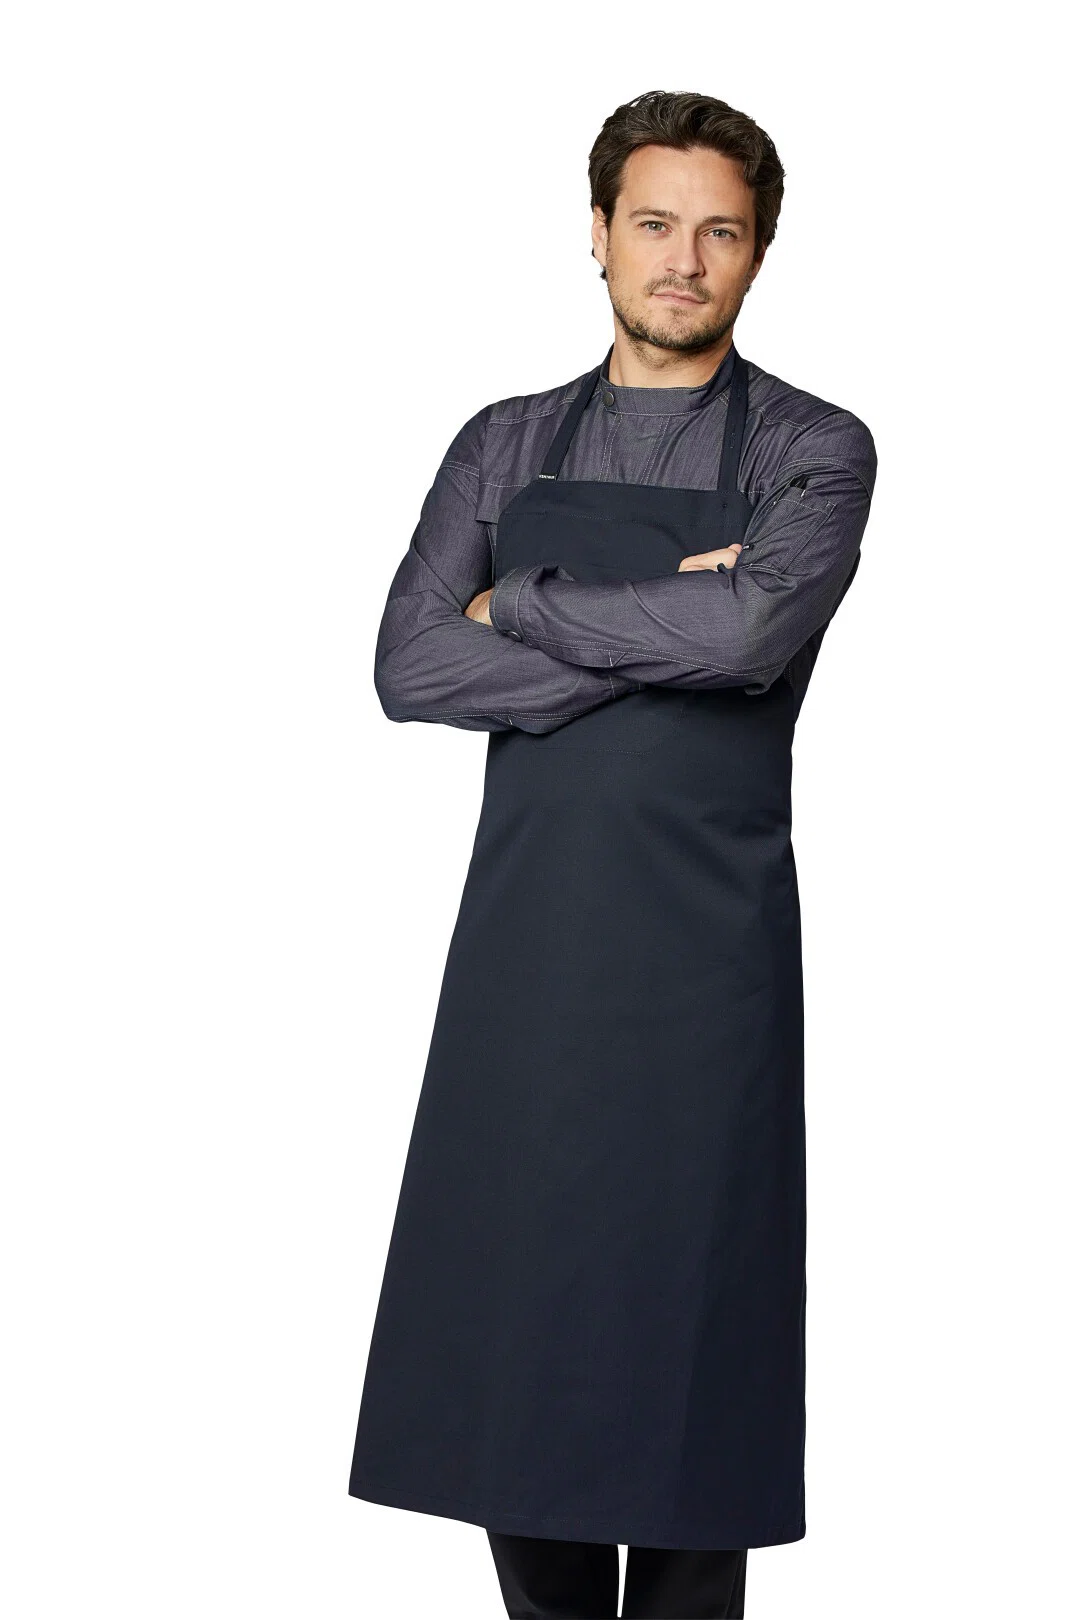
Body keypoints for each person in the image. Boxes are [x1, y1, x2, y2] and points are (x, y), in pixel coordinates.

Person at [349, 88, 877, 1620]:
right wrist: (663, 627)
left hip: (708, 972)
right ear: (598, 234)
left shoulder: (815, 447)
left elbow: (753, 635)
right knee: (522, 1366)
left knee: (698, 1363)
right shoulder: (505, 441)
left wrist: (521, 603)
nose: (683, 260)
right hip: (529, 960)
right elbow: (408, 666)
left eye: (721, 232)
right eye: (654, 223)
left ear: (758, 251)